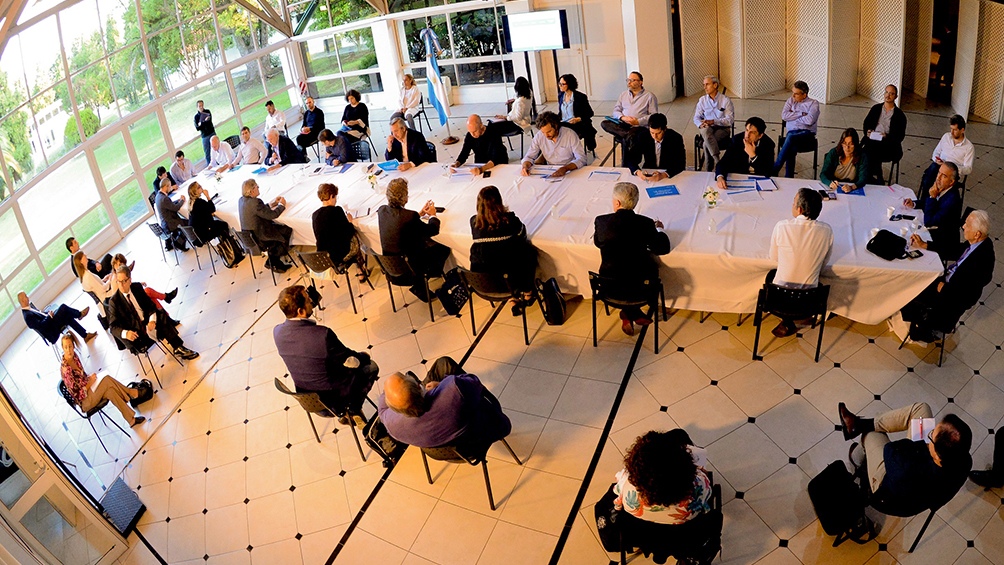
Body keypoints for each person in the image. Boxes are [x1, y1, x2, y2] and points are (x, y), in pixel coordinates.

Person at [839, 402, 972, 515]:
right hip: (917, 474)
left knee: (870, 433)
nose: (929, 433)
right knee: (922, 409)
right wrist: (926, 444)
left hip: (886, 494)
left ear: (937, 455)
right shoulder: (964, 460)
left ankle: (856, 460)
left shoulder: (906, 470)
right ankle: (857, 425)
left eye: (931, 434)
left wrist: (920, 443)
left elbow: (890, 449)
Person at [273, 285, 378, 421]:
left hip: (309, 401)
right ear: (301, 311)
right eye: (308, 300)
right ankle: (352, 410)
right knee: (370, 367)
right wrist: (364, 356)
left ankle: (348, 415)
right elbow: (352, 361)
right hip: (333, 401)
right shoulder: (323, 335)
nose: (312, 301)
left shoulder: (277, 332)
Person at [377, 356, 512, 449]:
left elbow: (382, 406)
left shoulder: (391, 423)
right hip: (483, 433)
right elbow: (474, 382)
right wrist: (440, 385)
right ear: (418, 386)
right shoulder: (454, 388)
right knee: (450, 368)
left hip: (442, 447)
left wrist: (396, 394)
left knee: (442, 363)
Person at [901, 210, 995, 342]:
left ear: (977, 234)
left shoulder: (982, 260)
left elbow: (969, 295)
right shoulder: (977, 242)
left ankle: (923, 324)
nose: (963, 227)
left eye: (967, 225)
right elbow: (955, 250)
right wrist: (924, 245)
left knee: (911, 286)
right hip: (948, 280)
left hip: (950, 296)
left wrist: (944, 289)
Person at [593, 182, 671, 336]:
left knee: (622, 275)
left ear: (617, 203)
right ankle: (632, 312)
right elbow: (662, 248)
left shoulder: (602, 222)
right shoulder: (645, 223)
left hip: (609, 287)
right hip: (642, 289)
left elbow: (598, 242)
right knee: (633, 275)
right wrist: (659, 229)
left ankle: (627, 313)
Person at [767, 188, 833, 337]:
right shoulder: (827, 230)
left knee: (771, 274)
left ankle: (786, 320)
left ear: (799, 209)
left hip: (778, 299)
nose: (792, 205)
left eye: (793, 203)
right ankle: (789, 321)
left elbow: (774, 258)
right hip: (809, 301)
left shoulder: (782, 226)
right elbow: (823, 263)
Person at [611, 429, 712, 524]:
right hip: (682, 524)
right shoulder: (698, 490)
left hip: (642, 525)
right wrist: (700, 472)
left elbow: (618, 488)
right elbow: (706, 491)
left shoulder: (628, 491)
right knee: (680, 434)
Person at [377, 178, 450, 302]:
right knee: (443, 248)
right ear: (405, 197)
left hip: (391, 267)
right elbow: (432, 230)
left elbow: (400, 224)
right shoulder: (409, 217)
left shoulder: (382, 210)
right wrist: (433, 215)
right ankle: (427, 278)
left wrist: (419, 214)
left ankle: (420, 284)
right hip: (411, 267)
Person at [470, 186, 537, 313]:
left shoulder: (474, 223)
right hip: (511, 280)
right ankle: (527, 291)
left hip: (485, 284)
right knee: (528, 252)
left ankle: (513, 298)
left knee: (498, 263)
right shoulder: (510, 220)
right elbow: (522, 234)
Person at [108, 266, 199, 360]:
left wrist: (152, 320)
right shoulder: (114, 301)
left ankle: (178, 347)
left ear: (130, 280)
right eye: (118, 281)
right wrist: (126, 333)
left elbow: (150, 306)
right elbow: (113, 327)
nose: (121, 285)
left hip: (147, 323)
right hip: (136, 334)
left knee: (161, 315)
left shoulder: (137, 287)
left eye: (124, 281)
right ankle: (176, 345)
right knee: (163, 323)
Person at [60, 334, 146, 428]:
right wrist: (90, 383)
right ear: (62, 348)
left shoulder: (75, 357)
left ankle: (131, 420)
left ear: (73, 346)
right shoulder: (66, 371)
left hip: (89, 390)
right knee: (106, 380)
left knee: (110, 391)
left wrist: (89, 378)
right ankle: (131, 392)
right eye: (66, 347)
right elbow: (78, 395)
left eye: (70, 346)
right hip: (85, 401)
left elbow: (82, 377)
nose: (68, 350)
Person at [904, 161, 962, 257]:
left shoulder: (952, 200)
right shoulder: (943, 186)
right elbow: (928, 203)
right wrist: (914, 203)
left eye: (944, 176)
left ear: (951, 182)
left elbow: (929, 222)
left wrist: (932, 197)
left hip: (941, 240)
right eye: (939, 173)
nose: (938, 178)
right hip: (933, 227)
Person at [312, 183, 367, 278]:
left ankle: (360, 270)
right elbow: (348, 232)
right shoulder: (336, 211)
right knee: (354, 238)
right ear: (331, 196)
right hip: (339, 255)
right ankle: (360, 269)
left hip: (325, 257)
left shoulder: (315, 215)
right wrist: (349, 222)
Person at [238, 178, 293, 273]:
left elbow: (259, 210)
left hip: (250, 237)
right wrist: (281, 205)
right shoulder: (255, 202)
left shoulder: (241, 200)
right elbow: (272, 215)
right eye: (257, 187)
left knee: (279, 228)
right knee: (286, 230)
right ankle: (273, 260)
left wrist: (273, 204)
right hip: (261, 237)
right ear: (252, 190)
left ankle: (273, 259)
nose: (258, 188)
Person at [862, 84, 908, 183]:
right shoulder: (876, 108)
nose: (888, 95)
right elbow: (866, 123)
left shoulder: (900, 115)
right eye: (886, 92)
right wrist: (868, 131)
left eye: (891, 94)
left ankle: (875, 177)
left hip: (889, 144)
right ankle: (875, 176)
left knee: (873, 151)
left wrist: (887, 136)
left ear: (896, 96)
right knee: (868, 150)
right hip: (873, 139)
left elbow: (900, 136)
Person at [773, 81, 820, 178]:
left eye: (796, 94)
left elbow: (809, 120)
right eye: (793, 92)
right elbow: (784, 116)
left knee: (790, 138)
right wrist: (801, 114)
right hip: (792, 133)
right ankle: (788, 177)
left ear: (804, 95)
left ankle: (775, 168)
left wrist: (793, 116)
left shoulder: (813, 103)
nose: (793, 96)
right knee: (791, 146)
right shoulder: (790, 101)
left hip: (806, 134)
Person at [520, 111, 587, 178]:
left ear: (556, 126)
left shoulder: (570, 135)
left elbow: (581, 159)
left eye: (549, 131)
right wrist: (525, 166)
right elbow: (529, 157)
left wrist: (565, 168)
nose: (546, 135)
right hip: (550, 170)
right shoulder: (539, 136)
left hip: (570, 170)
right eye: (543, 132)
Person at [714, 117, 775, 189]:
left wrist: (753, 156)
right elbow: (723, 163)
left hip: (759, 181)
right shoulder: (737, 140)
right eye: (747, 130)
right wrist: (720, 177)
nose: (747, 135)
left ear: (760, 135)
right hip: (738, 179)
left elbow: (768, 172)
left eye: (752, 132)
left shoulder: (768, 144)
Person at [623, 112, 685, 181]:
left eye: (658, 133)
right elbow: (631, 158)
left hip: (668, 172)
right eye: (652, 133)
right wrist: (638, 172)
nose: (654, 136)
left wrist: (663, 175)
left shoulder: (675, 138)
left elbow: (680, 164)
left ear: (665, 129)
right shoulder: (643, 136)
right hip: (649, 171)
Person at [920, 114, 974, 194]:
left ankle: (934, 197)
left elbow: (968, 168)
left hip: (952, 172)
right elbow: (936, 152)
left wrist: (953, 168)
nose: (951, 132)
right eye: (951, 129)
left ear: (962, 130)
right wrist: (936, 159)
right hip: (939, 166)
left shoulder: (969, 147)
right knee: (929, 176)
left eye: (955, 130)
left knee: (940, 181)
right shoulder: (946, 136)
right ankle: (926, 197)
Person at [19, 291, 96, 344]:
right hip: (51, 330)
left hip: (51, 322)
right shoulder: (28, 316)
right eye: (25, 296)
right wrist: (49, 316)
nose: (27, 297)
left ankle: (85, 335)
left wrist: (49, 313)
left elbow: (41, 314)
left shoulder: (29, 308)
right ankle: (79, 315)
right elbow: (42, 326)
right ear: (22, 301)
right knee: (63, 307)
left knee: (67, 316)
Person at [693, 75, 736, 171]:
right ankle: (718, 162)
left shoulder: (725, 100)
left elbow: (730, 120)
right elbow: (696, 117)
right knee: (706, 131)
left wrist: (714, 121)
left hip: (722, 128)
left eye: (707, 84)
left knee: (706, 143)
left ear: (715, 85)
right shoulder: (702, 100)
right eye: (704, 85)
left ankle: (709, 169)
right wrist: (701, 124)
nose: (705, 87)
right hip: (707, 127)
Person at [110, 254, 176, 313]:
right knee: (148, 292)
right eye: (119, 265)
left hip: (131, 298)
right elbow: (121, 296)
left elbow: (128, 286)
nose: (122, 267)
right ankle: (166, 297)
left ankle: (166, 313)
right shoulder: (116, 278)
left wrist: (139, 284)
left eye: (123, 264)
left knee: (152, 299)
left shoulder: (117, 274)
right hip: (128, 304)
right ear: (114, 266)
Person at [605, 71, 658, 140]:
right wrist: (622, 117)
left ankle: (626, 136)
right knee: (604, 123)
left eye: (632, 80)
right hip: (623, 123)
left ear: (640, 82)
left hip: (638, 126)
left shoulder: (649, 96)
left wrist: (638, 121)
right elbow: (616, 110)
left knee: (632, 134)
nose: (629, 82)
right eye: (628, 80)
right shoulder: (623, 94)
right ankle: (627, 135)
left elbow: (654, 116)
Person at [557, 73, 597, 152]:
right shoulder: (560, 95)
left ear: (569, 84)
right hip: (563, 123)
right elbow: (560, 112)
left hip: (576, 124)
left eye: (563, 84)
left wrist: (578, 119)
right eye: (559, 84)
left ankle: (570, 152)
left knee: (566, 135)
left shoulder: (580, 97)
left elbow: (590, 113)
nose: (560, 86)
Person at [154, 173, 189, 252]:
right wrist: (182, 201)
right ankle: (179, 243)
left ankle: (179, 242)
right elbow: (175, 208)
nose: (171, 188)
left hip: (165, 222)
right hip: (170, 223)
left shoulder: (158, 196)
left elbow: (169, 205)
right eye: (170, 186)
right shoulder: (164, 198)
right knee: (188, 222)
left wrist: (178, 201)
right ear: (166, 186)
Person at [194, 100, 215, 165]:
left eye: (202, 105)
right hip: (205, 136)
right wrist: (204, 122)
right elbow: (197, 128)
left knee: (216, 148)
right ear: (197, 107)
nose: (201, 107)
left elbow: (209, 122)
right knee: (207, 152)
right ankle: (210, 165)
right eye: (199, 106)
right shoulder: (196, 117)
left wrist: (201, 123)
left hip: (212, 133)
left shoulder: (207, 112)